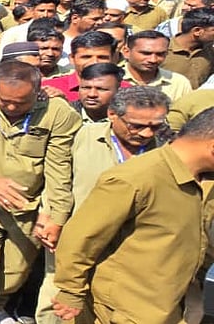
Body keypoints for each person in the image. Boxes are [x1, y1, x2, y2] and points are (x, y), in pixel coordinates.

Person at [51, 102, 214, 323]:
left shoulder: (204, 182)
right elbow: (81, 237)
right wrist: (71, 290)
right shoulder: (136, 179)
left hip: (171, 305)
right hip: (127, 310)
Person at [0, 60, 81, 324]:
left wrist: (55, 215)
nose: (11, 108)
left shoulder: (58, 113)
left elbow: (59, 170)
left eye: (21, 103)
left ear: (38, 91)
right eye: (5, 101)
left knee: (17, 270)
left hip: (29, 209)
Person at [35, 86, 168, 323]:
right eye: (136, 126)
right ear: (112, 115)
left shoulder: (165, 151)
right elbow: (58, 179)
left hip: (130, 243)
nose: (147, 134)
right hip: (73, 234)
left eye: (155, 126)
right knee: (59, 297)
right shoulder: (81, 136)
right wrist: (51, 216)